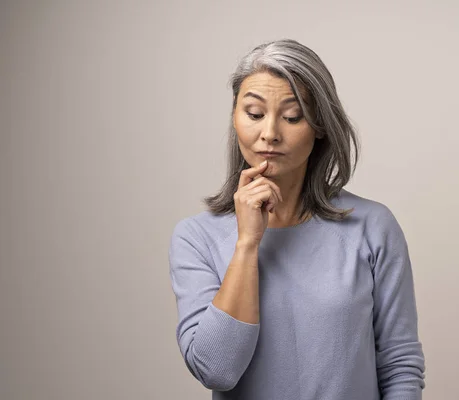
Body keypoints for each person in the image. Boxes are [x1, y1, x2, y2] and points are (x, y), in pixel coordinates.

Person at [168, 38, 426, 400]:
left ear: (319, 125)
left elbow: (399, 364)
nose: (270, 133)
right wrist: (246, 244)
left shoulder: (372, 227)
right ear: (234, 118)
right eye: (254, 114)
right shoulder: (197, 237)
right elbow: (216, 370)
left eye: (292, 116)